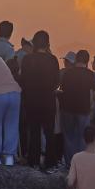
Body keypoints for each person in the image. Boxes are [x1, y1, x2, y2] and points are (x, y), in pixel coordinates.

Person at [20, 29, 60, 172]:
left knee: (34, 131)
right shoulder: (53, 60)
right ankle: (50, 163)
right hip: (48, 100)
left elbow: (22, 79)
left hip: (31, 100)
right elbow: (57, 82)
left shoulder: (27, 59)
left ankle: (33, 161)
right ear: (47, 43)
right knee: (49, 132)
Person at [59, 49, 95, 166]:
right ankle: (81, 163)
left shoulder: (67, 73)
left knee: (68, 136)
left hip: (67, 108)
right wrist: (93, 106)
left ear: (76, 59)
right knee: (82, 136)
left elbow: (62, 89)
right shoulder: (90, 74)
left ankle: (69, 163)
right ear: (87, 61)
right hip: (83, 109)